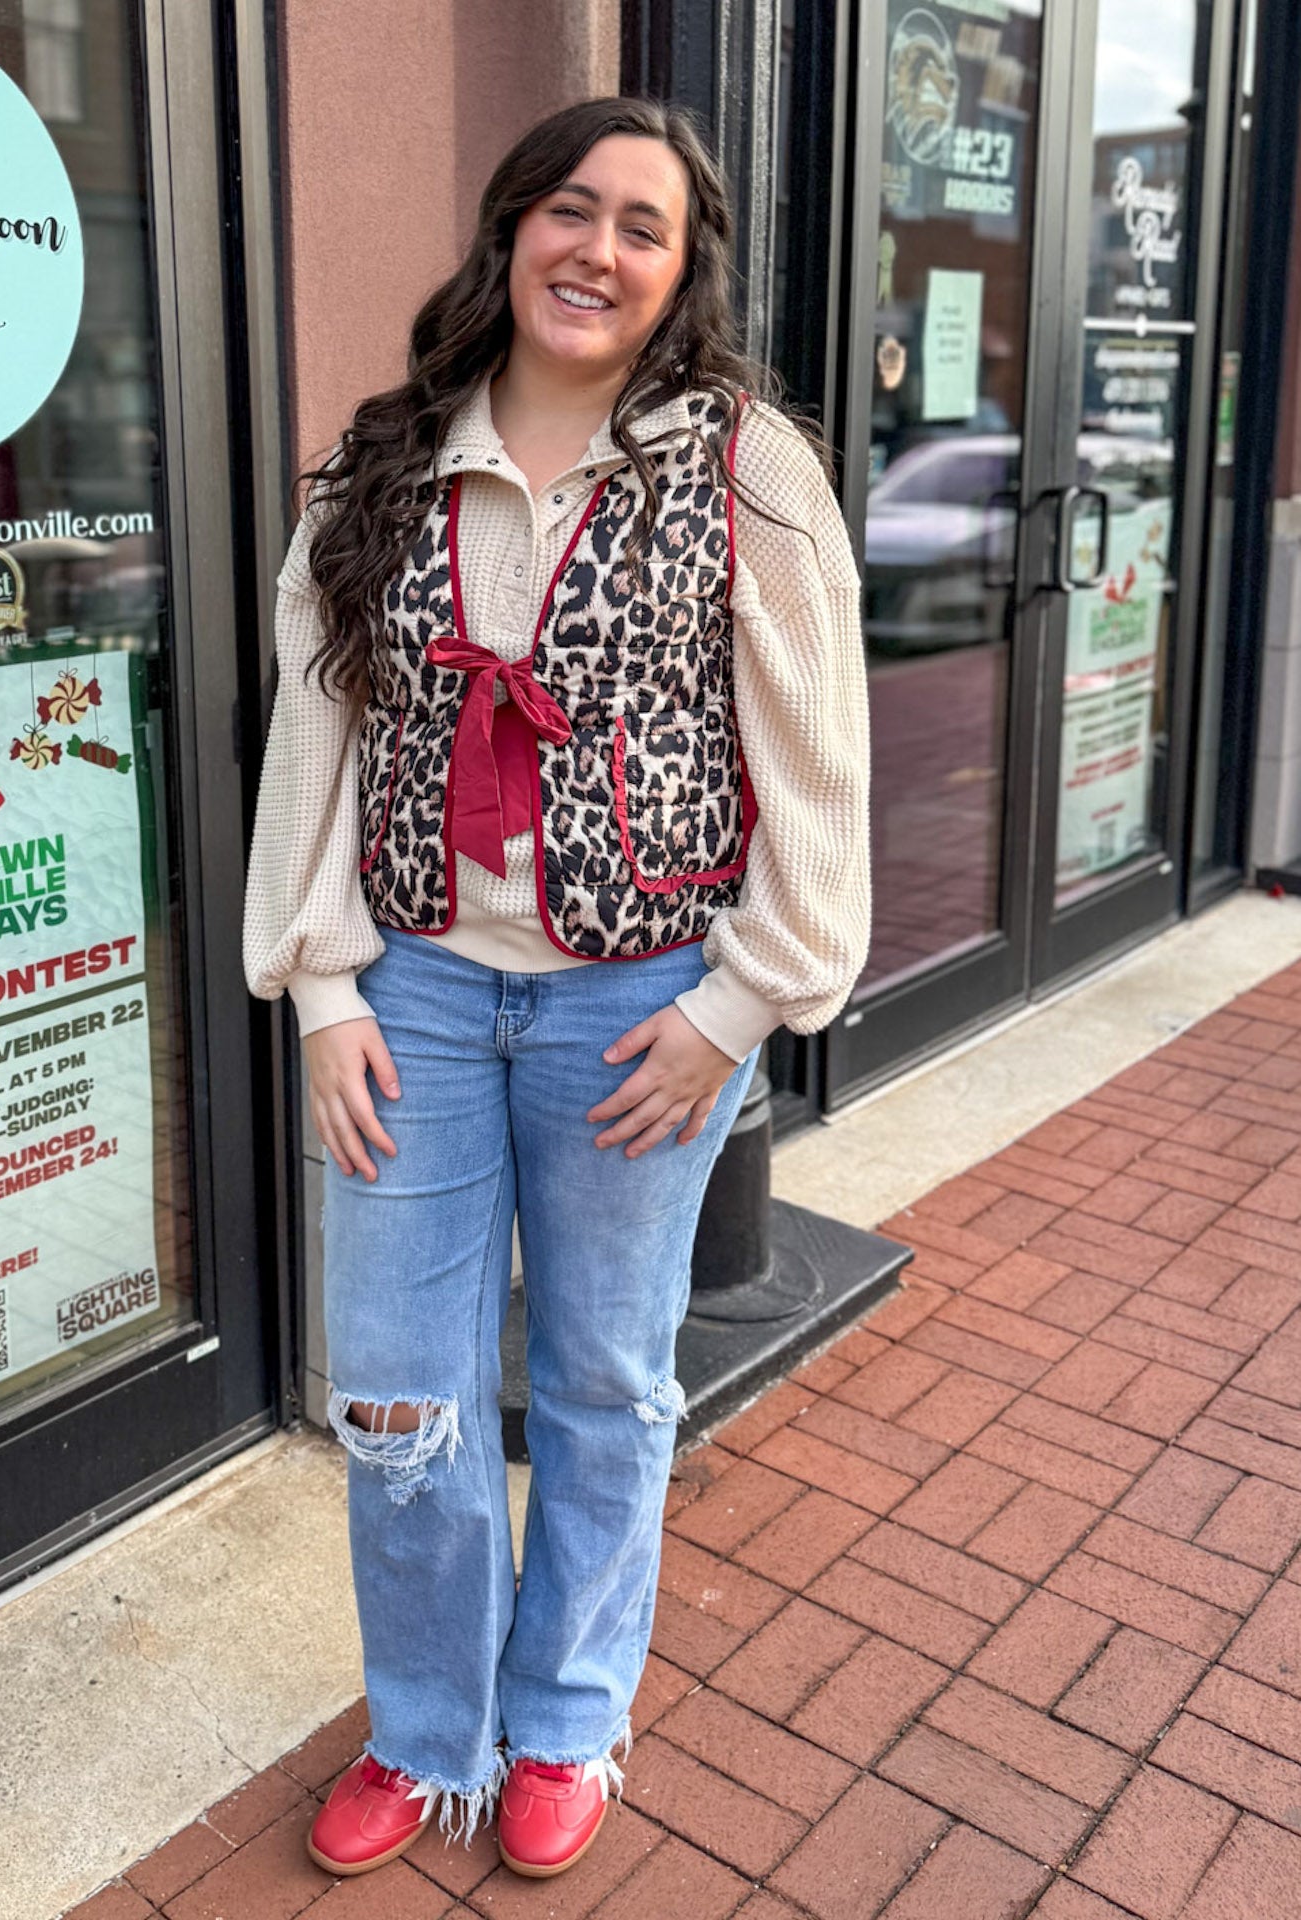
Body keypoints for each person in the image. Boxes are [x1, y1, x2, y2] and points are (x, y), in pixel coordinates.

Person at [242, 94, 871, 1880]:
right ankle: (428, 1727)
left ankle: (567, 1720)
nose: (598, 248)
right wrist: (324, 992)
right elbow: (320, 730)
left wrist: (738, 1009)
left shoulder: (746, 469)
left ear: (682, 273)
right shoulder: (386, 458)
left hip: (642, 1004)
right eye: (569, 209)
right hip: (418, 994)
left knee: (604, 1379)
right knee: (393, 1386)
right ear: (511, 228)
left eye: (643, 226)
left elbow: (814, 762)